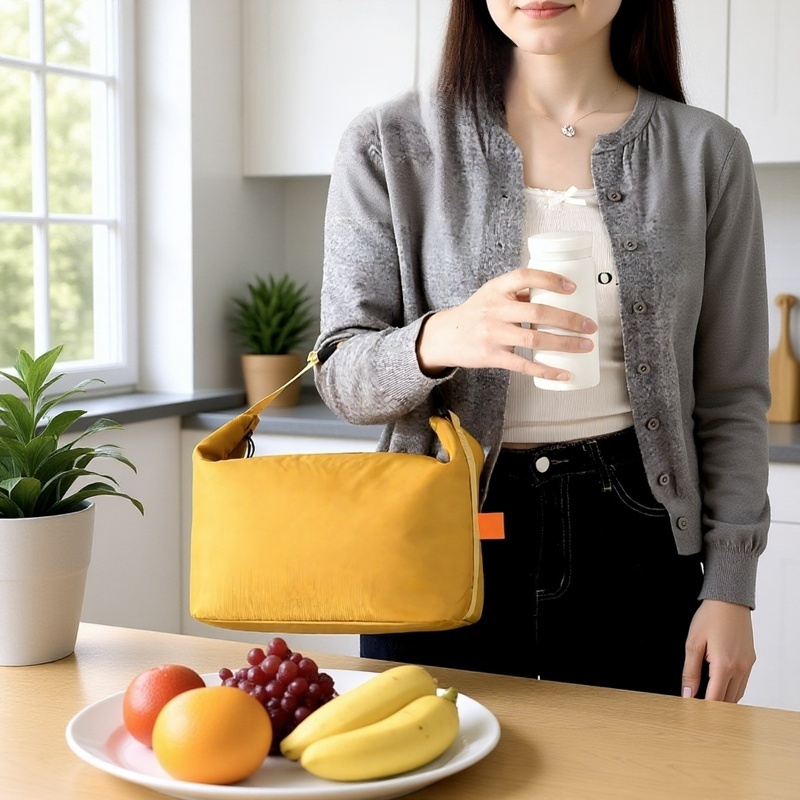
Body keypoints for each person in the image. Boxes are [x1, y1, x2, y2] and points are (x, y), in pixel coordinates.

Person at [313, 0, 770, 703]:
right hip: (443, 532)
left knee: (627, 775)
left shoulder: (706, 150)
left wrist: (732, 589)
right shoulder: (389, 143)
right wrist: (443, 337)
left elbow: (733, 393)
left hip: (639, 531)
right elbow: (341, 374)